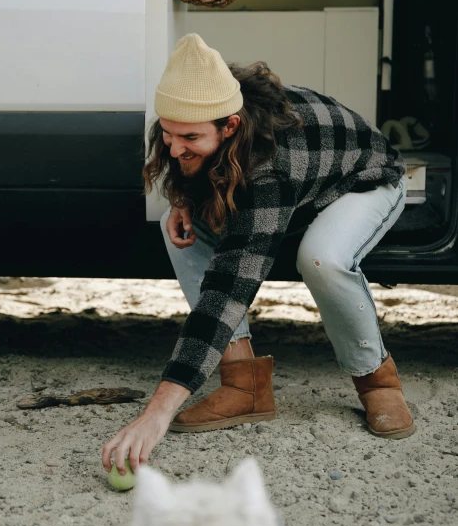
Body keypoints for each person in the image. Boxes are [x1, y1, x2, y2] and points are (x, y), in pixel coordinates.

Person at [102, 33, 415, 477]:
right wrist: (182, 200)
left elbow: (227, 292)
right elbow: (186, 160)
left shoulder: (272, 164)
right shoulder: (189, 114)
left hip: (362, 181)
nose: (173, 147)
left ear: (230, 126)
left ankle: (376, 378)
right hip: (300, 191)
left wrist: (157, 412)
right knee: (180, 229)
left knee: (321, 258)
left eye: (188, 137)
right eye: (168, 135)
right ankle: (243, 382)